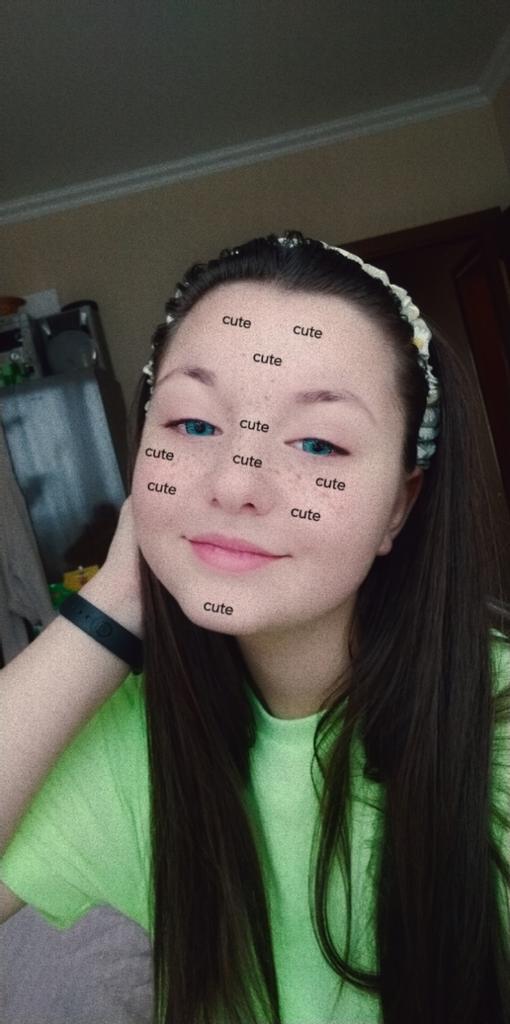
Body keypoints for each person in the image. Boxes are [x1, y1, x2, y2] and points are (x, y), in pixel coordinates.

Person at [0, 229, 509, 1024]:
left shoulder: (495, 729)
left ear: (399, 505)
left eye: (318, 442)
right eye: (194, 425)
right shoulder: (137, 743)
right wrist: (115, 600)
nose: (235, 483)